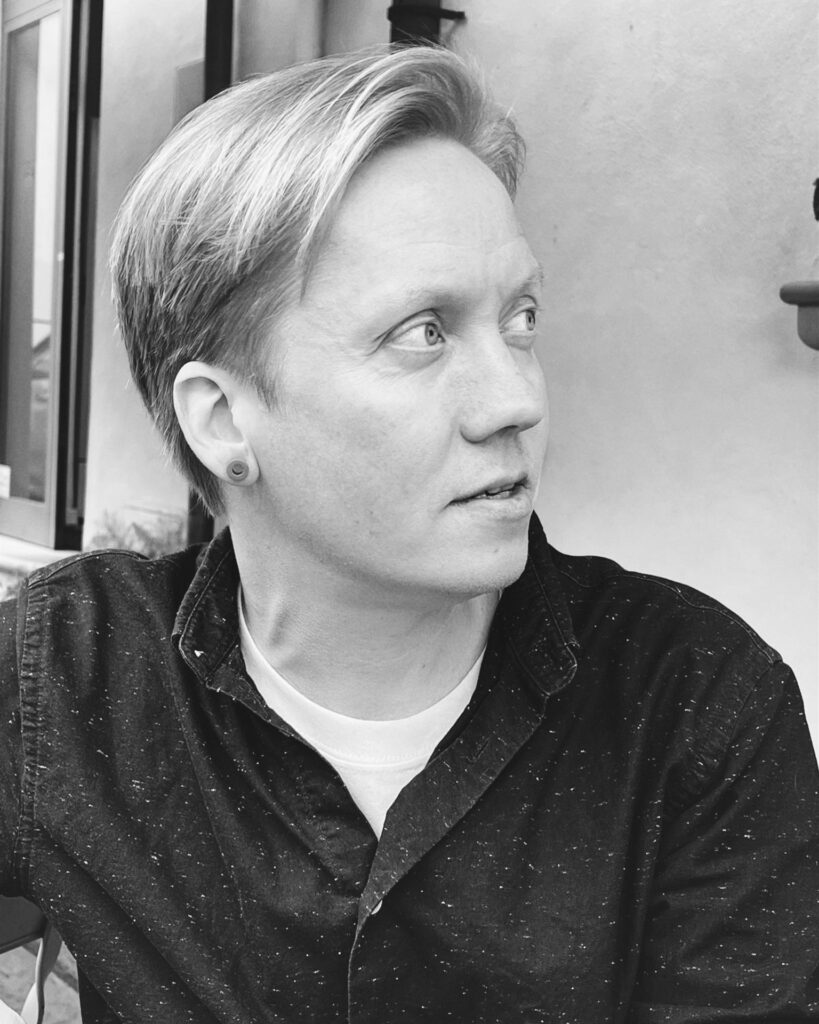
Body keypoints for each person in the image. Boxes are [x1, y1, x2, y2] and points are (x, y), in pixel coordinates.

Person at [1, 45, 818, 1023]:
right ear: (222, 420)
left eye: (521, 319)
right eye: (422, 332)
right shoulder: (65, 678)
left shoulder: (694, 705)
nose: (516, 399)